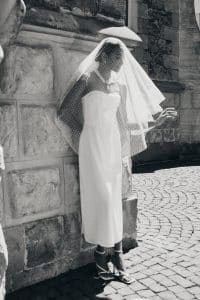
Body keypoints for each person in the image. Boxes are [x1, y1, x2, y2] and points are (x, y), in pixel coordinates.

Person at [57, 37, 177, 284]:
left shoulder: (120, 87)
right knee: (99, 198)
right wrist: (85, 132)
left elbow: (124, 125)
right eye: (120, 57)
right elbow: (65, 111)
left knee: (113, 199)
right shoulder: (86, 80)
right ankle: (101, 254)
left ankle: (116, 253)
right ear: (107, 57)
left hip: (113, 147)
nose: (124, 62)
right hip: (92, 147)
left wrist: (156, 123)